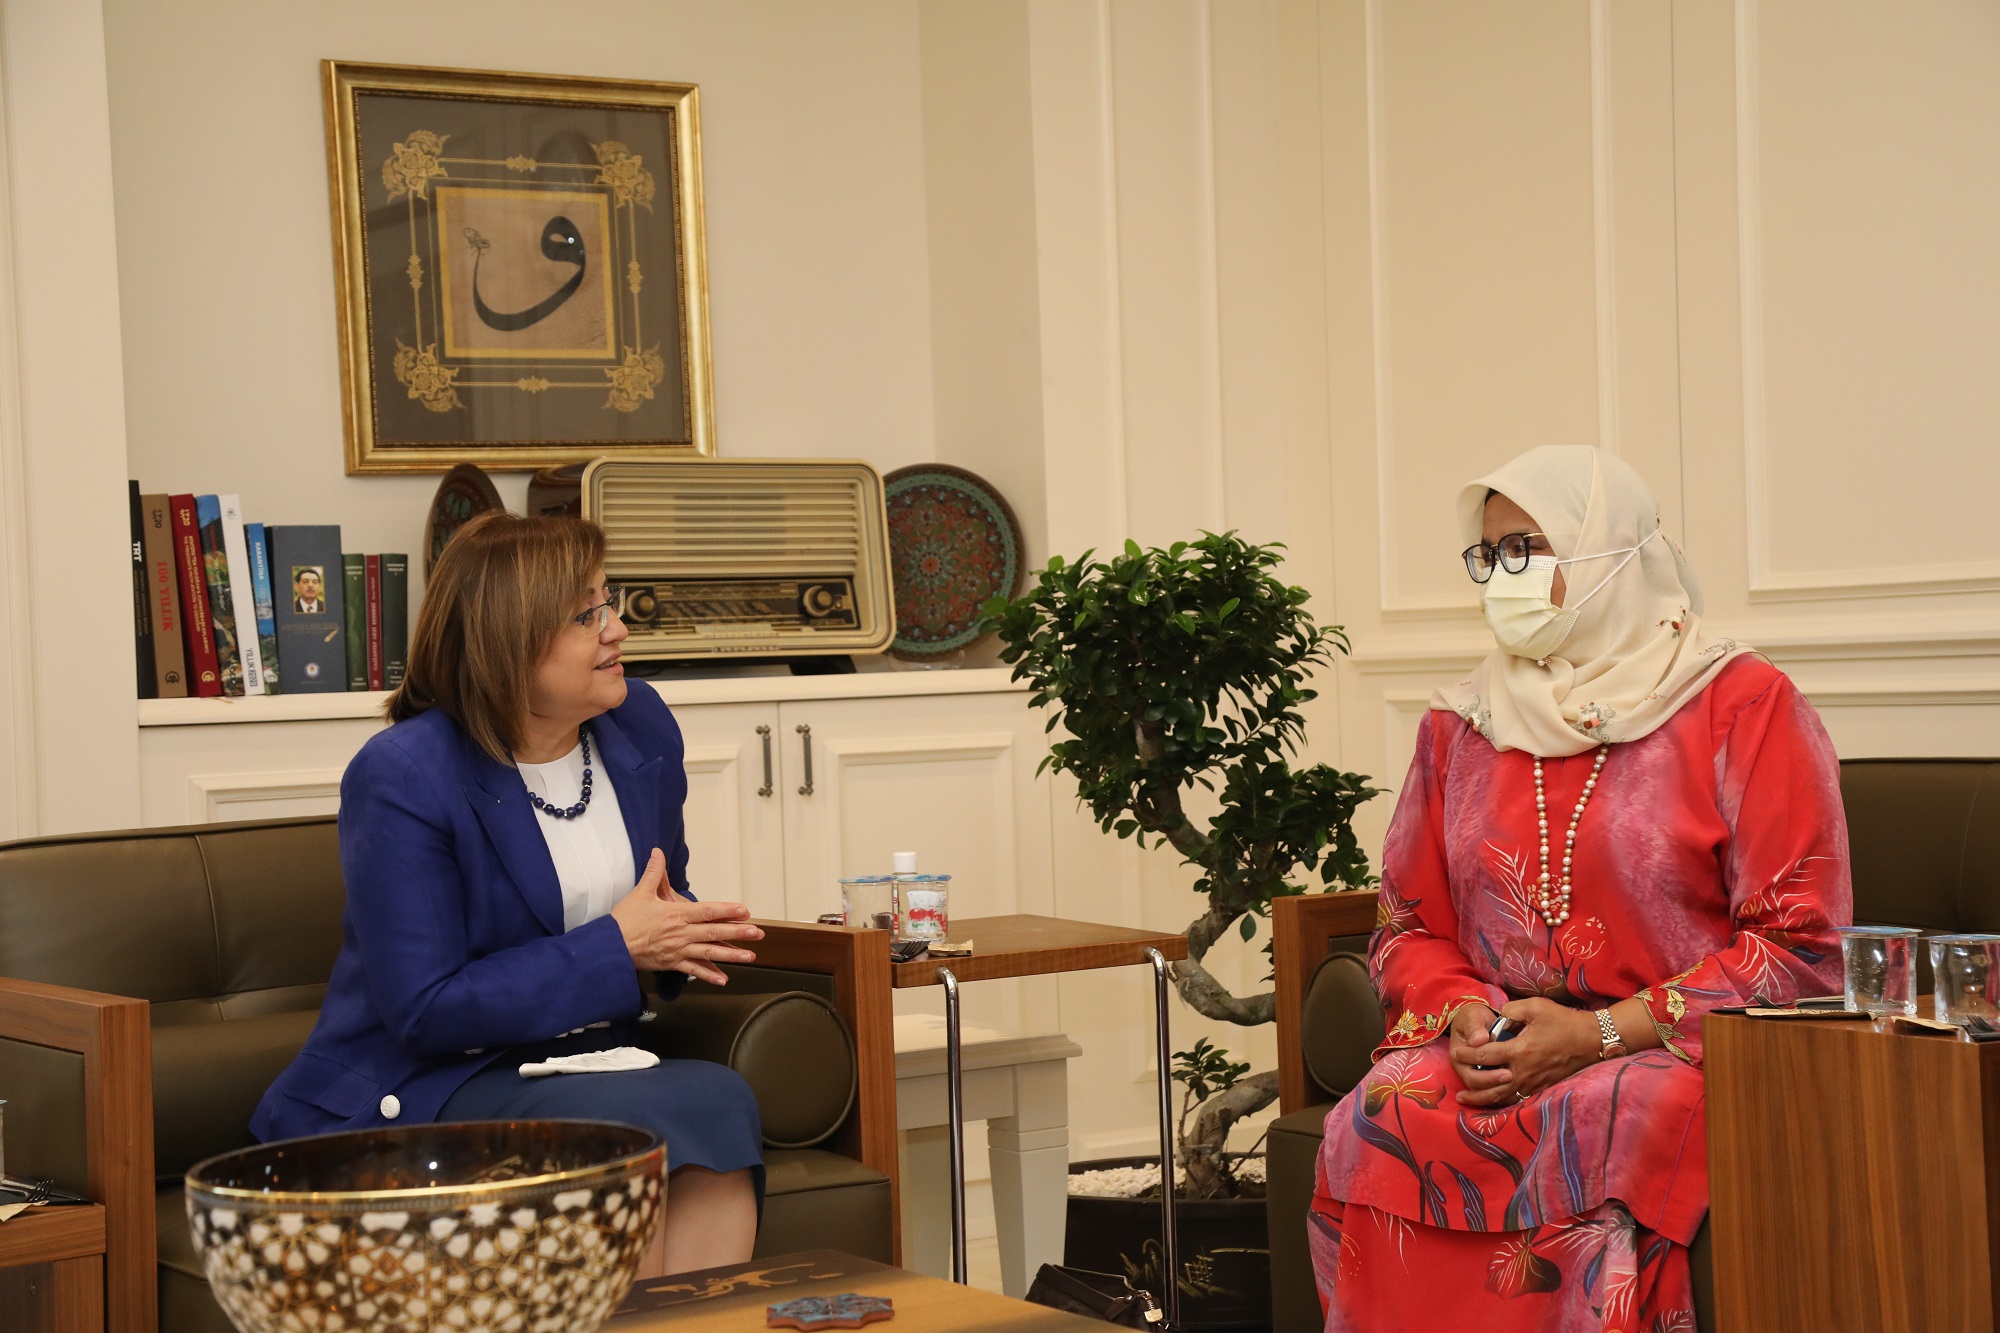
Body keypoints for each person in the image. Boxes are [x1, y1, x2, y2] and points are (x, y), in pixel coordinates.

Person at [1310, 446, 1851, 1330]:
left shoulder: (1742, 705)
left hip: (1678, 1049)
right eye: (1489, 554)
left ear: (1611, 553)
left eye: (1526, 549)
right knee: (1386, 1103)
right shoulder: (1464, 722)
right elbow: (1406, 926)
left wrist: (1597, 1034)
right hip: (1503, 1040)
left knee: (1607, 1113)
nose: (1502, 576)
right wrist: (1467, 1014)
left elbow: (1798, 947)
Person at [252, 512, 766, 1276]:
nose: (617, 628)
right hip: (435, 1079)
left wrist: (682, 935)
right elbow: (425, 1007)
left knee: (717, 1097)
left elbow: (660, 897)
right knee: (635, 1122)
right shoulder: (404, 773)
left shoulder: (640, 724)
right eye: (586, 615)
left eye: (609, 601)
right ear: (508, 640)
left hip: (593, 1059)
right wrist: (619, 945)